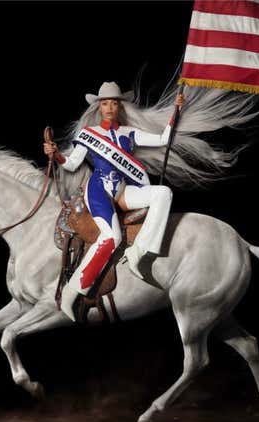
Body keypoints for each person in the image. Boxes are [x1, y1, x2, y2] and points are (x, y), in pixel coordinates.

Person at [44, 81, 183, 321]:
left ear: (119, 106)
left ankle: (140, 254)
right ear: (99, 107)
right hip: (98, 190)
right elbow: (73, 163)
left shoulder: (128, 133)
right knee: (112, 237)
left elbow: (163, 139)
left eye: (114, 103)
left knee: (163, 193)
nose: (109, 107)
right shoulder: (89, 134)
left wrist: (176, 111)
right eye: (105, 103)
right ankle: (72, 290)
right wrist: (56, 155)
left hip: (122, 191)